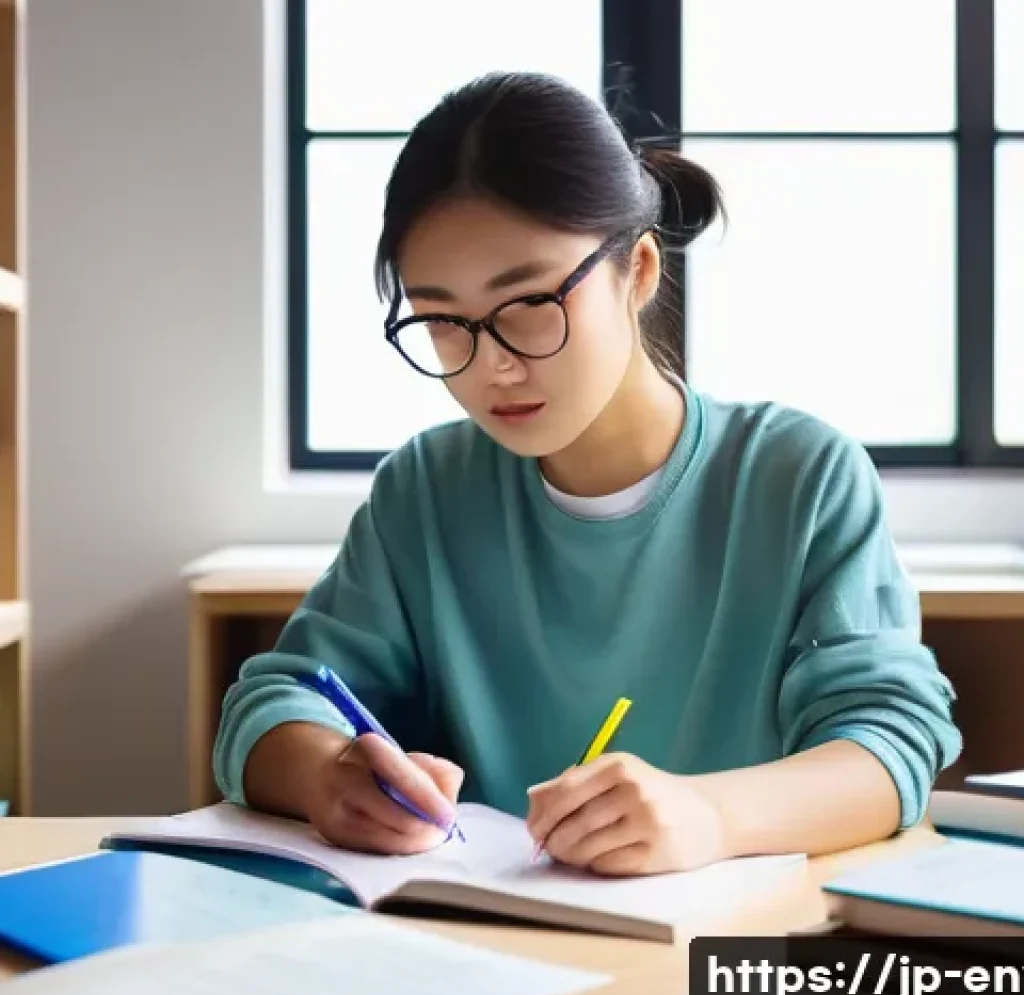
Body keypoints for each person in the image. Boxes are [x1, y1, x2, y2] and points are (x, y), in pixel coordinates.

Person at [213, 70, 961, 877]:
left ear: (638, 271)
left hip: (726, 961)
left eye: (529, 302)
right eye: (440, 320)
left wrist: (708, 815)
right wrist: (329, 775)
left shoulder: (798, 476)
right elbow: (271, 705)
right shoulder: (426, 491)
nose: (491, 364)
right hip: (488, 955)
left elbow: (889, 744)